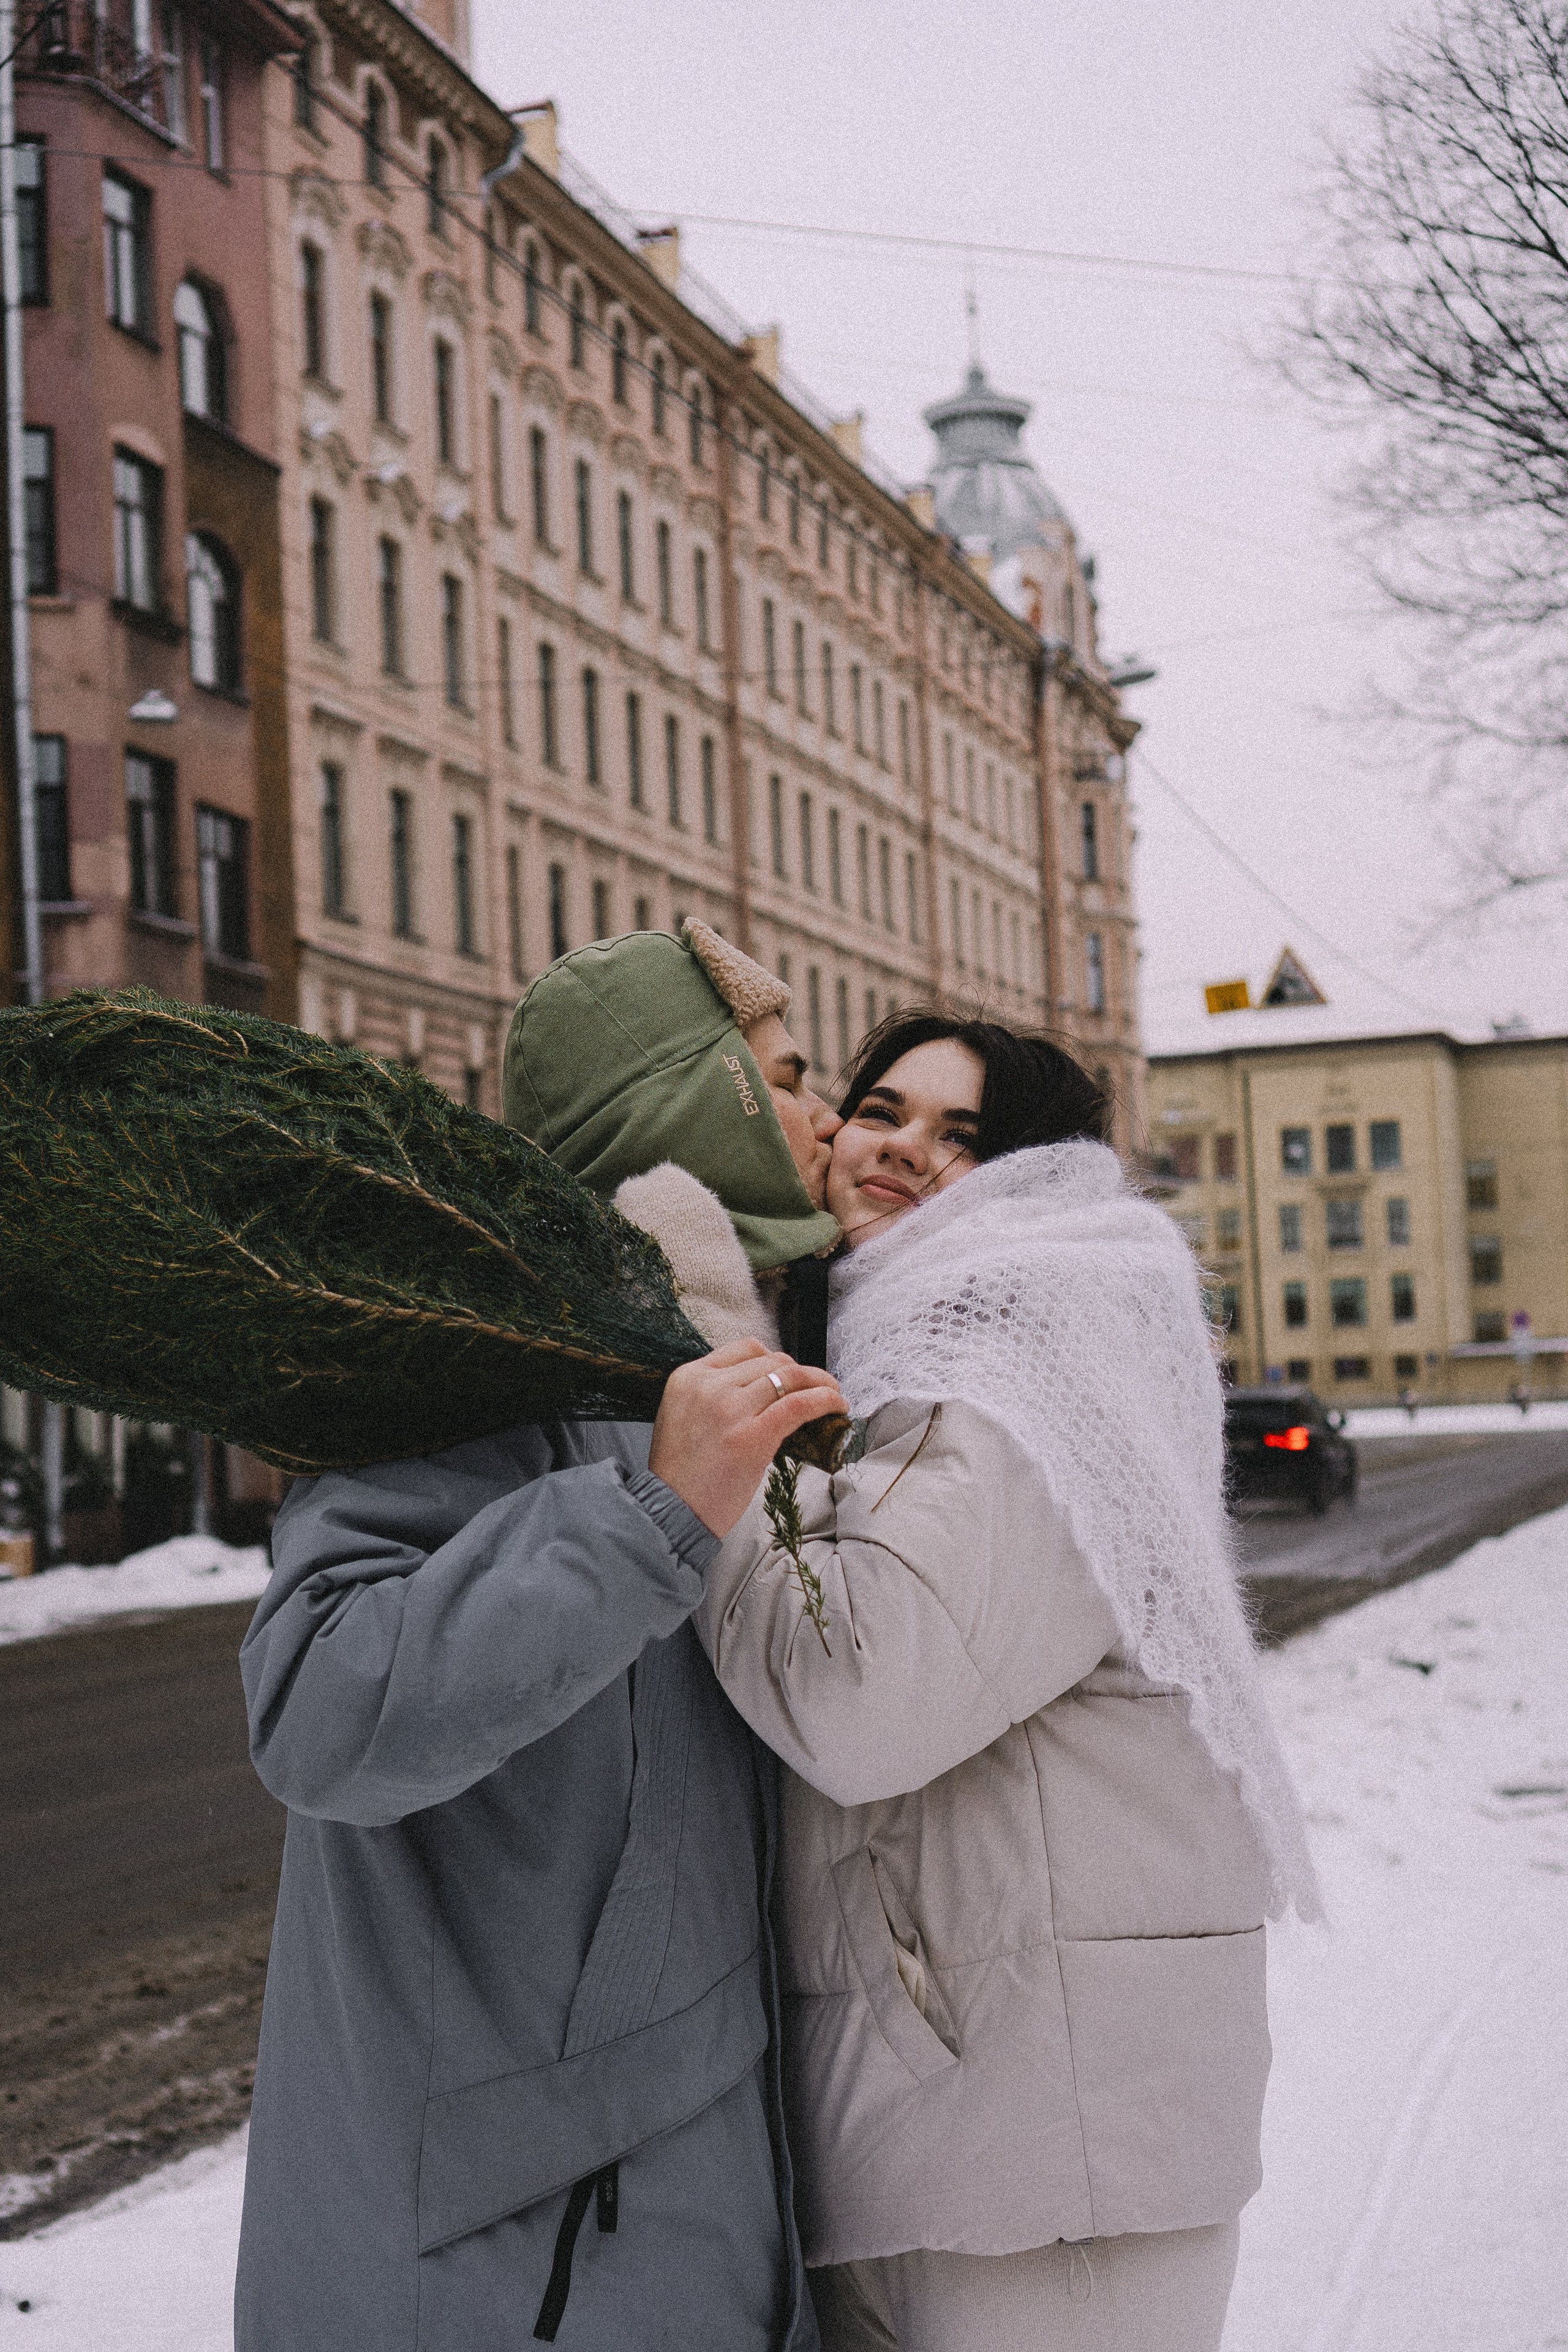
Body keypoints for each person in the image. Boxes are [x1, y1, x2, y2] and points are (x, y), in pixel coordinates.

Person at [665, 1012, 1321, 2352]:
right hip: (973, 2118)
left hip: (1048, 2158)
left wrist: (710, 1457)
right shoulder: (904, 1352)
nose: (899, 1149)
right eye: (884, 1109)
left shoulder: (1033, 1351)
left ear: (1033, 1179)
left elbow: (862, 1701)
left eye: (961, 1139)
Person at [234, 922, 847, 2352]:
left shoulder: (732, 1363)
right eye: (787, 1078)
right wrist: (645, 1516)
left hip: (672, 2202)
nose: (824, 1119)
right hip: (511, 2250)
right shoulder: (477, 1359)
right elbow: (319, 1711)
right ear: (697, 1104)